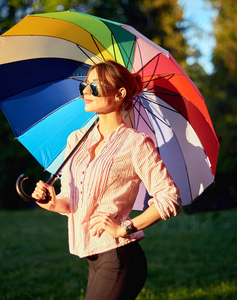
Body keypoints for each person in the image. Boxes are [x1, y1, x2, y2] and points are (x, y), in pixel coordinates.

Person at [32, 60, 181, 300]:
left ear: (120, 94)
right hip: (93, 257)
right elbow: (71, 199)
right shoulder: (77, 139)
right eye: (84, 87)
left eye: (96, 87)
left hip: (119, 256)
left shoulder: (136, 143)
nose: (86, 93)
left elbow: (170, 197)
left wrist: (126, 227)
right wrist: (53, 203)